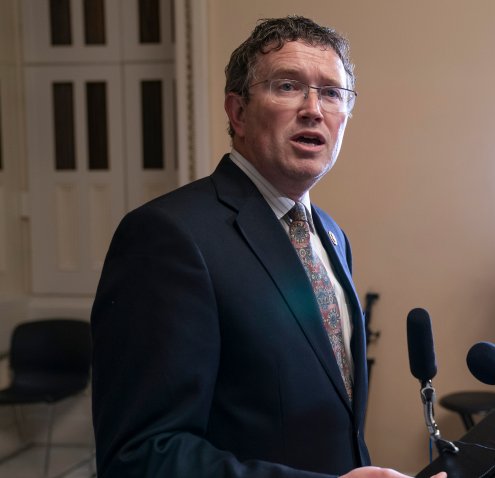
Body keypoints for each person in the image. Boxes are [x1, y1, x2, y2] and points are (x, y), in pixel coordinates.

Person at [91, 16, 435, 478]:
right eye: (289, 86)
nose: (314, 109)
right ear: (237, 112)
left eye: (332, 93)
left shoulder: (330, 234)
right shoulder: (167, 236)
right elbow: (143, 455)